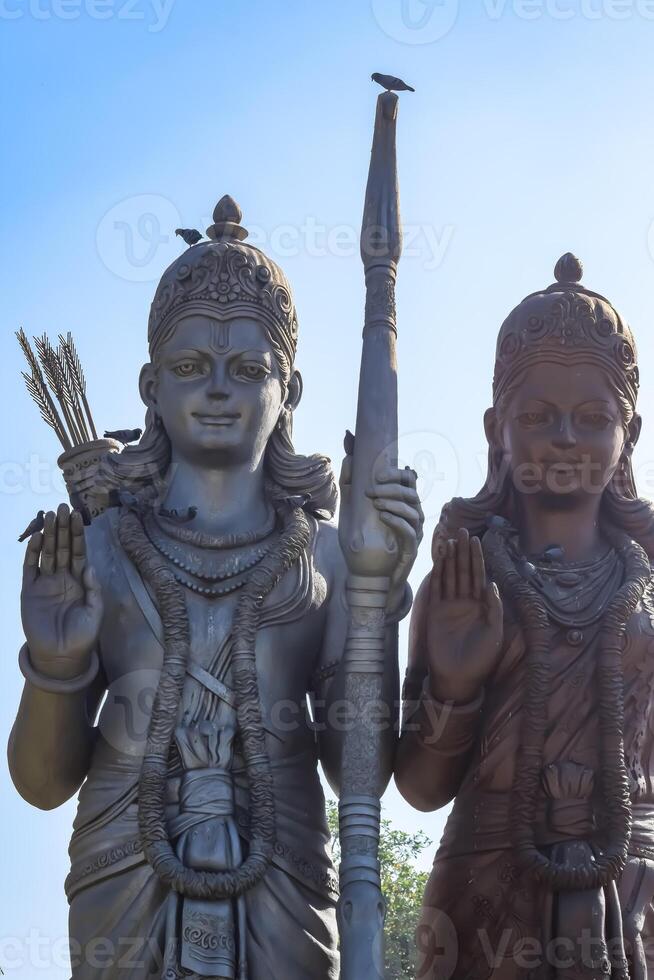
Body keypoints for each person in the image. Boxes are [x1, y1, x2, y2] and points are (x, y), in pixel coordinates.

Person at [9, 194, 423, 979]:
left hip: (287, 880)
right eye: (192, 367)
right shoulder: (100, 546)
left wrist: (378, 599)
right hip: (122, 879)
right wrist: (57, 667)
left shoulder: (329, 558)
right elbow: (40, 782)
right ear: (150, 384)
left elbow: (355, 769)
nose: (221, 390)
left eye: (250, 370)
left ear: (289, 389)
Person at [395, 253, 654, 979]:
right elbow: (418, 787)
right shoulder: (465, 579)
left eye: (593, 418)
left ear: (628, 436)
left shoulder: (650, 583)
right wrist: (454, 685)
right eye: (538, 416)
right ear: (496, 429)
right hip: (483, 891)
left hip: (636, 889)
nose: (566, 437)